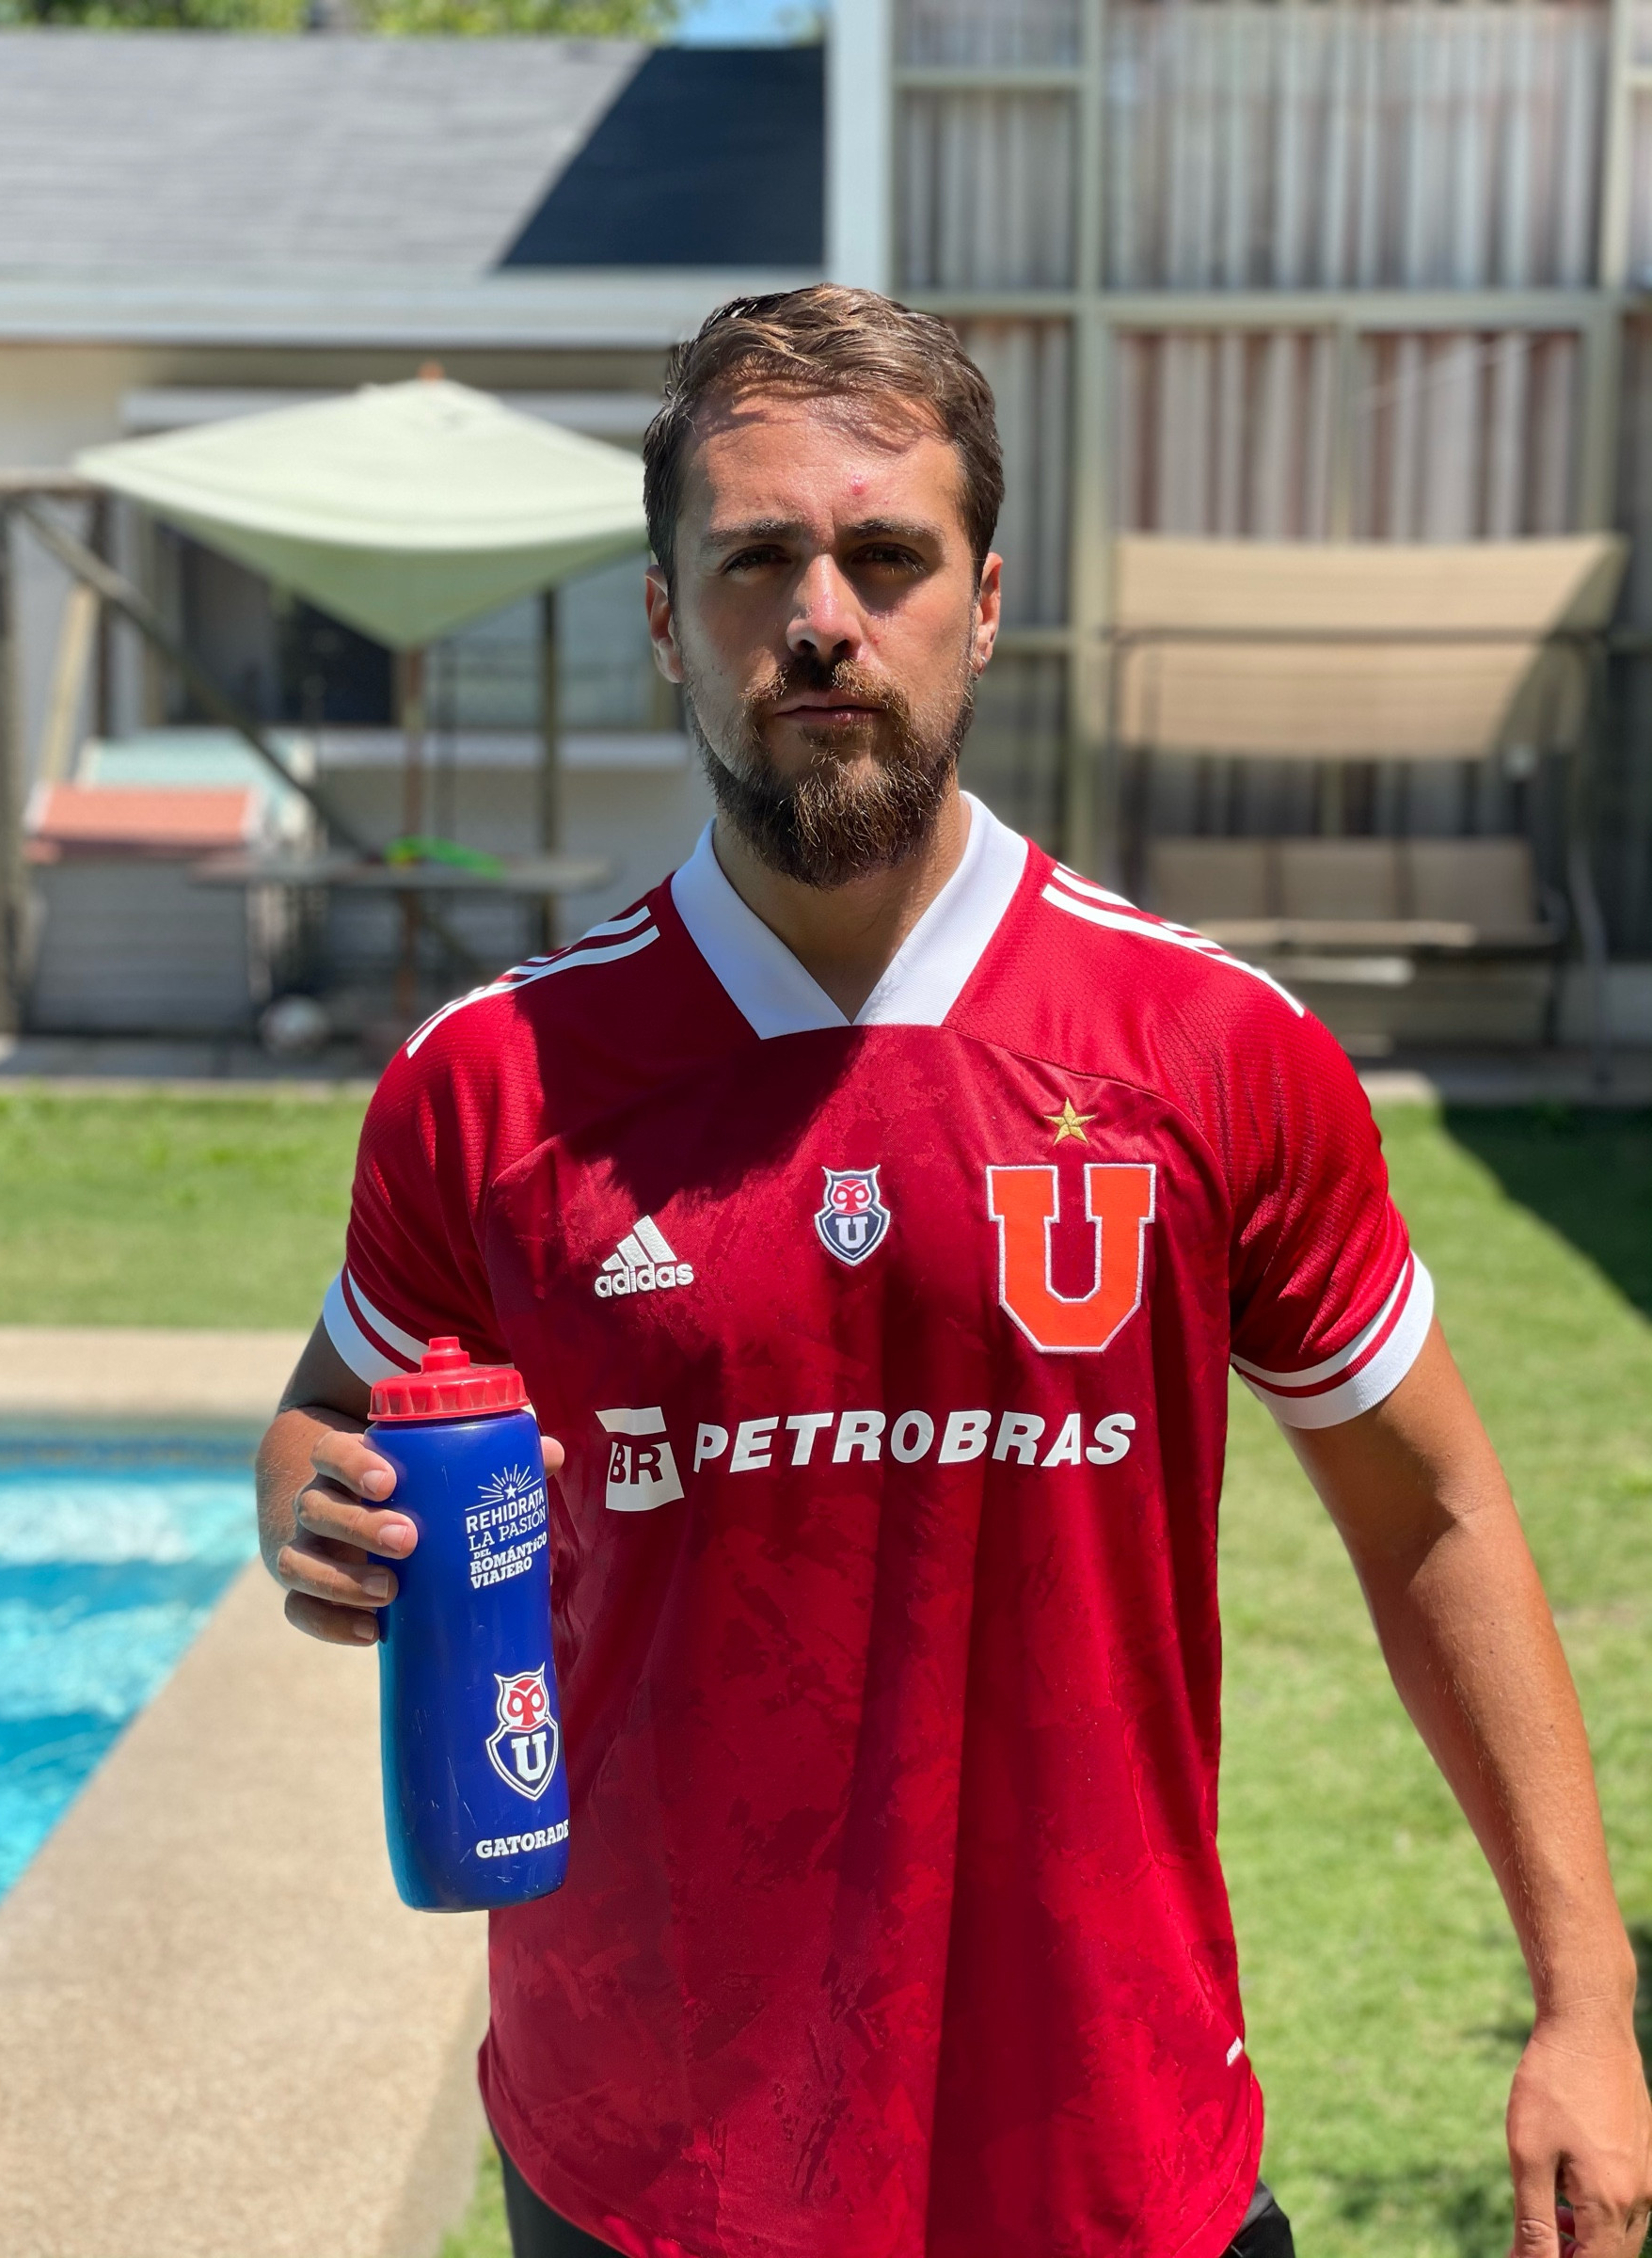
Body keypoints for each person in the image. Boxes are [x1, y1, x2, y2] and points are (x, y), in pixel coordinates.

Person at [255, 286, 1652, 2258]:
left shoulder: (1210, 1053)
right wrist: (314, 1516)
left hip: (1099, 2142)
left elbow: (1432, 1511)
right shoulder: (490, 1086)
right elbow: (322, 1421)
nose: (821, 617)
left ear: (983, 605)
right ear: (665, 616)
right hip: (645, 2153)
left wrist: (1586, 2003)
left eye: (887, 557)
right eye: (754, 560)